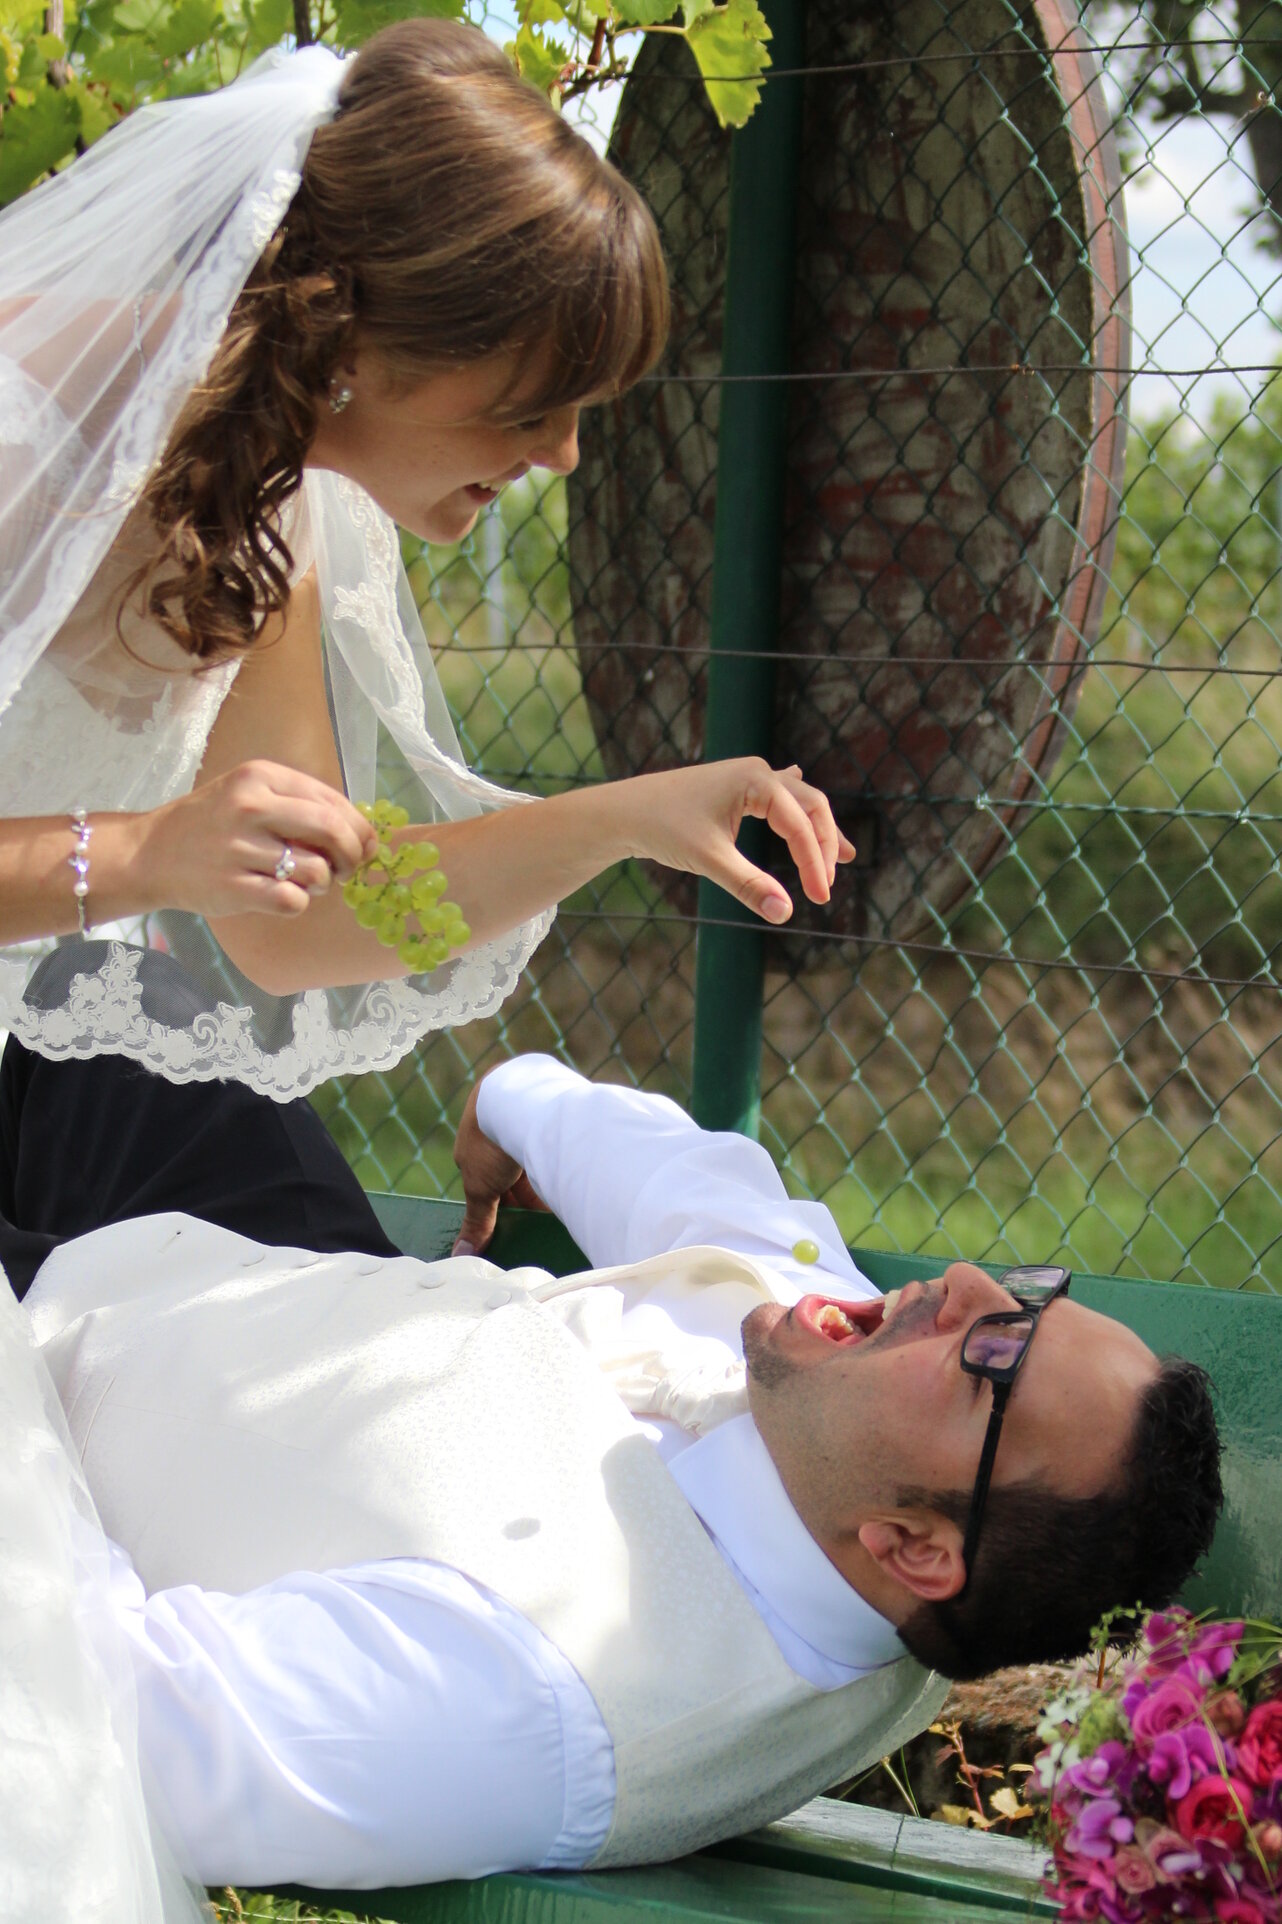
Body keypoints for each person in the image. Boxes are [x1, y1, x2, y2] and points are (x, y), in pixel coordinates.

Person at [6, 980, 1223, 1899]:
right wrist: (517, 1100)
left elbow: (111, 1718)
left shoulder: (537, 1704)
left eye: (993, 1353)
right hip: (274, 1269)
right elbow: (698, 1185)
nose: (962, 1284)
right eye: (1027, 1300)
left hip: (65, 1419)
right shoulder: (834, 1392)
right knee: (121, 964)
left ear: (913, 1547)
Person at [0, 18, 849, 1103]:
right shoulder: (25, 429)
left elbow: (306, 928)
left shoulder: (268, 510)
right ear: (357, 337)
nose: (563, 454)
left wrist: (627, 819)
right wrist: (141, 854)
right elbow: (169, 857)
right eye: (533, 406)